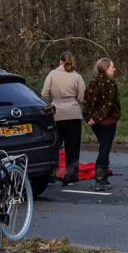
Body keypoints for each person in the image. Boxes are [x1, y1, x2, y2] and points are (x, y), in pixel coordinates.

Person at [41, 52, 86, 186]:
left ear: (60, 62)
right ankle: (71, 176)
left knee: (55, 145)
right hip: (73, 114)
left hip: (56, 113)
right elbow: (82, 97)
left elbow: (44, 94)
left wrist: (51, 102)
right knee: (72, 147)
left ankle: (51, 173)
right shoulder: (77, 77)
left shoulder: (52, 75)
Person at [82, 57, 121, 192]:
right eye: (112, 67)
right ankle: (100, 180)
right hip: (107, 122)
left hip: (96, 123)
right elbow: (108, 105)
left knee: (103, 148)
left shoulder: (92, 83)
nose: (114, 69)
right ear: (105, 68)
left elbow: (86, 102)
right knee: (104, 149)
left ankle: (103, 178)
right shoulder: (110, 85)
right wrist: (97, 118)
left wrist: (89, 118)